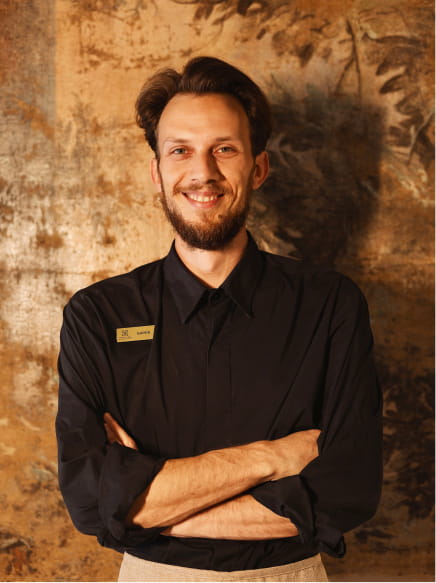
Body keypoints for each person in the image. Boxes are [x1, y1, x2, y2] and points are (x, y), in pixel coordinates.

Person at [56, 56, 383, 582]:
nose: (202, 172)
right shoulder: (96, 315)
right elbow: (91, 503)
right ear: (157, 172)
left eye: (224, 149)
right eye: (180, 150)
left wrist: (147, 507)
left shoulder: (330, 305)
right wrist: (273, 458)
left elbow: (347, 491)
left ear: (258, 167)